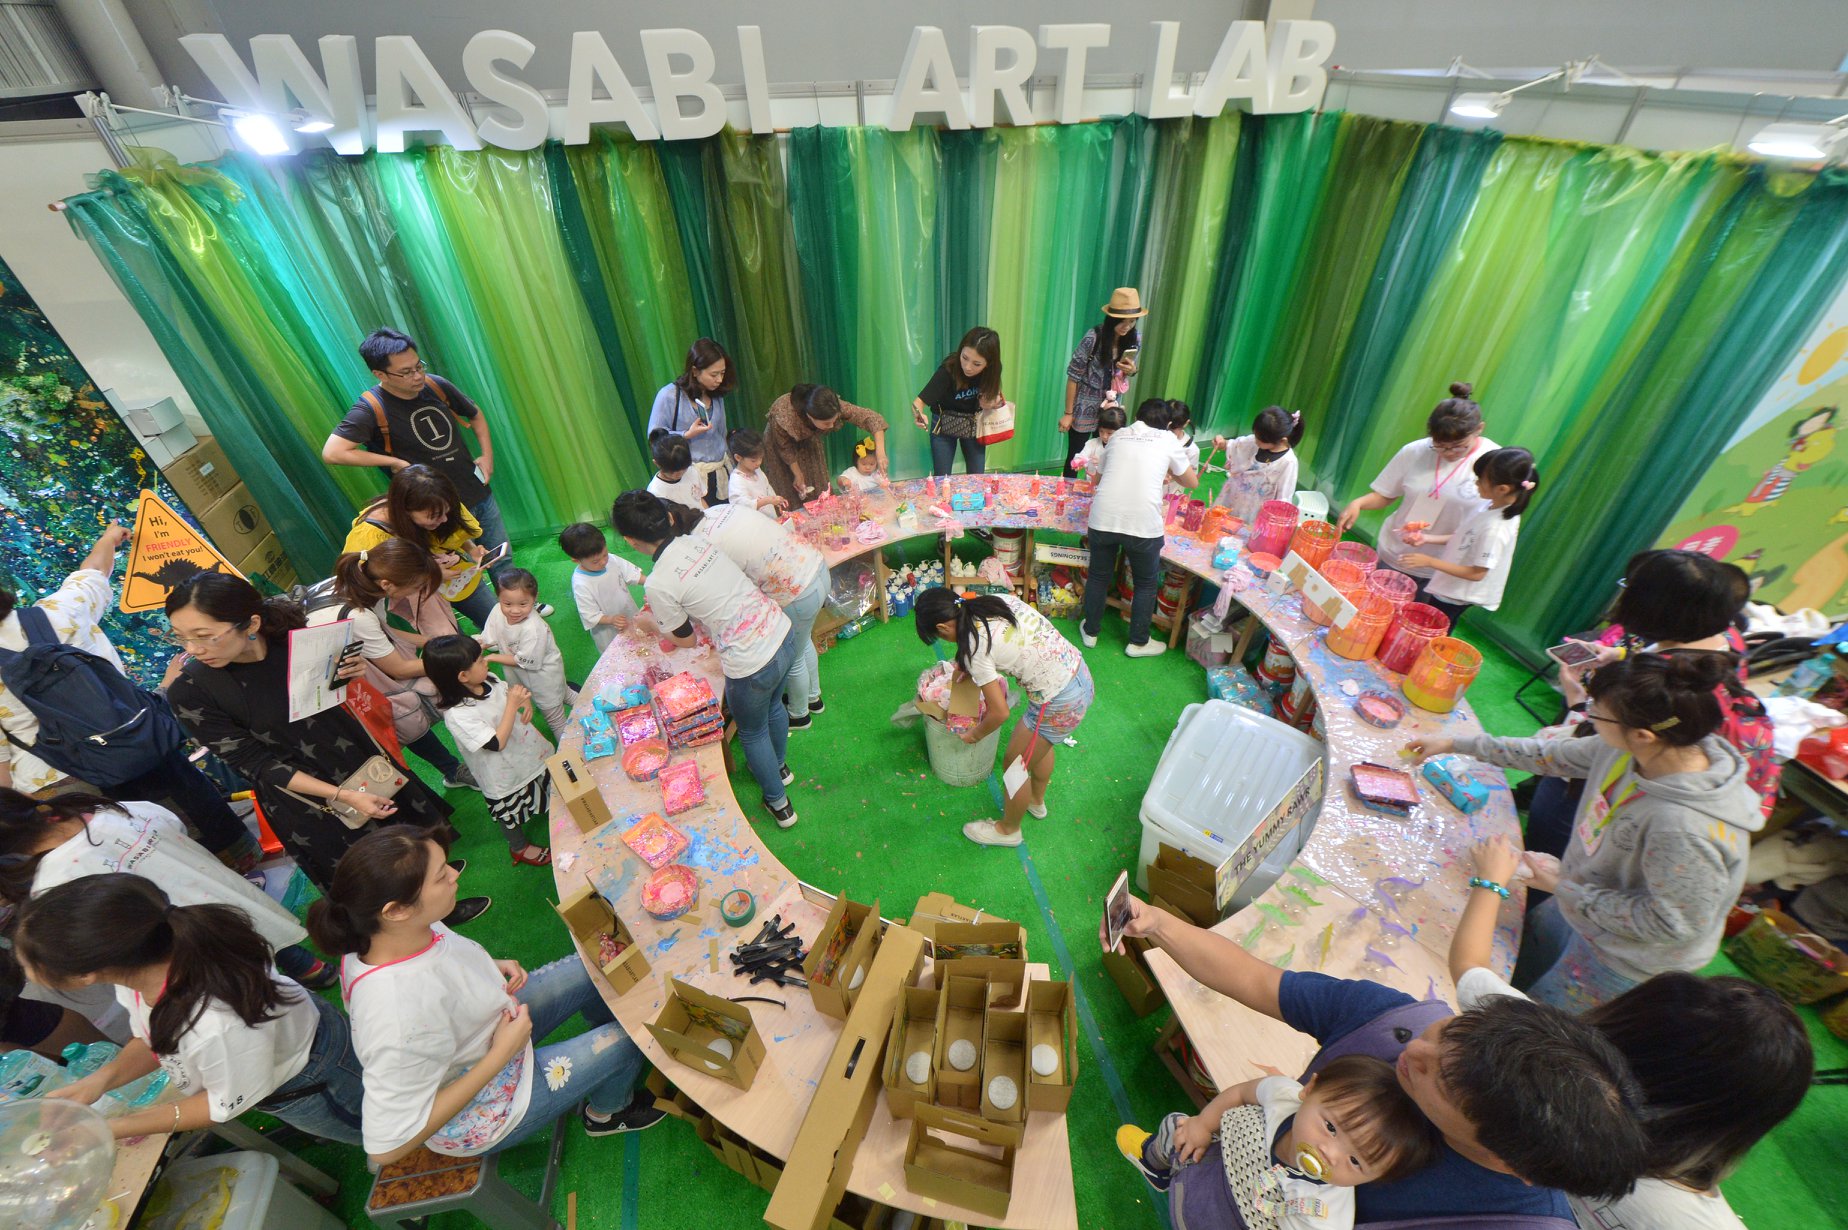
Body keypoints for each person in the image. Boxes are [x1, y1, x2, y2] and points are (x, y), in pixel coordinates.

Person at [1119, 894, 1647, 1225]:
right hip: (1216, 1176)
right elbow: (1256, 980)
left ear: (1511, 1163)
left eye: (1443, 1081)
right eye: (1449, 1030)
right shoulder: (1396, 1020)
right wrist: (1159, 923)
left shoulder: (1510, 1220)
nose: (1415, 1050)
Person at [1452, 835, 1814, 1230]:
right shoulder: (1690, 1219)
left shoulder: (1545, 1058)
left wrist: (1490, 881)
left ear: (1626, 1018)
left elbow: (1470, 966)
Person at [1410, 653, 1763, 1011]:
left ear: (1642, 735)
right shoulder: (1638, 748)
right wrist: (1458, 744)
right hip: (1582, 898)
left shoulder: (1685, 828)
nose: (1589, 717)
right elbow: (1551, 755)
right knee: (1521, 962)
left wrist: (1566, 888)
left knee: (1533, 1016)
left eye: (1597, 713)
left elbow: (1669, 922)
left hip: (1621, 958)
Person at [308, 826, 661, 1163]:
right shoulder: (395, 1016)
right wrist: (501, 1053)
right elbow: (386, 1147)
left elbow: (436, 960)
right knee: (635, 1038)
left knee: (597, 966)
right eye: (441, 876)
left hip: (495, 1026)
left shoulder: (384, 934)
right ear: (396, 909)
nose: (454, 875)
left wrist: (488, 965)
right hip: (490, 1105)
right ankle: (607, 1113)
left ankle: (602, 1055)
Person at [161, 573, 485, 926]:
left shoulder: (294, 641)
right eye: (180, 636)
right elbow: (256, 764)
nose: (193, 649)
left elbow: (326, 698)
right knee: (380, 875)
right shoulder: (191, 692)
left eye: (204, 636)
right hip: (308, 797)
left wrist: (351, 673)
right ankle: (432, 918)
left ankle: (433, 883)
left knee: (408, 836)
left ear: (251, 623)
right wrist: (342, 795)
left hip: (356, 756)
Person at [21, 875, 365, 1144]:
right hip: (283, 1050)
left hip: (312, 1077)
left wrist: (108, 1129)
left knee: (378, 1131)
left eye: (28, 968)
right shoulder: (146, 959)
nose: (26, 974)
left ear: (85, 974)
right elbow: (152, 1038)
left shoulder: (212, 1022)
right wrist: (100, 1080)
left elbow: (219, 1105)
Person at [0, 521, 258, 868]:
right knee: (205, 830)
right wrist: (109, 539)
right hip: (136, 739)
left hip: (66, 783)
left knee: (139, 864)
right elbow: (93, 572)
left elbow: (2, 771)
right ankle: (244, 866)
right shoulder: (60, 611)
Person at [1528, 550, 1776, 866]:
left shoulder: (1659, 688)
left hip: (1604, 786)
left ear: (1653, 608)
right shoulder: (1724, 640)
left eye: (1630, 588)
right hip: (1654, 783)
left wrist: (1576, 699)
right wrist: (1619, 656)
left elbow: (1602, 738)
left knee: (1545, 859)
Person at [0, 788, 335, 990]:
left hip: (182, 932)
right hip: (218, 886)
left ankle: (291, 994)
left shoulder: (53, 882)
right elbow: (171, 822)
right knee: (261, 927)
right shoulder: (105, 811)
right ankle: (313, 970)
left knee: (244, 971)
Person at [613, 492, 801, 828]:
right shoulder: (695, 541)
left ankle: (779, 803)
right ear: (670, 518)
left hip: (751, 662)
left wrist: (651, 625)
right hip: (781, 631)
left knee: (752, 731)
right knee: (774, 707)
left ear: (629, 540)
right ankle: (780, 768)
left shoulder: (658, 583)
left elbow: (685, 639)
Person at [1117, 1055, 1441, 1229]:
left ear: (1376, 1178)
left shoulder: (1326, 1215)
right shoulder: (1284, 1096)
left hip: (1218, 1220)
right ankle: (1154, 1162)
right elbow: (1242, 1093)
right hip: (1200, 1162)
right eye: (1330, 1127)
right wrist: (1203, 1123)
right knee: (1178, 1125)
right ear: (1309, 1090)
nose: (1330, 1153)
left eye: (1356, 1161)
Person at [323, 327, 512, 587]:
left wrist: (487, 455)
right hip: (433, 510)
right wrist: (394, 462)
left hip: (476, 489)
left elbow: (475, 414)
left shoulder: (435, 385)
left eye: (419, 366)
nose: (417, 376)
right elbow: (333, 452)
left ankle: (515, 603)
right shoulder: (371, 408)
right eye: (406, 372)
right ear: (380, 374)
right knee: (460, 575)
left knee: (500, 558)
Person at [913, 589, 1093, 847]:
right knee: (1041, 743)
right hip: (1078, 673)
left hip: (1058, 701)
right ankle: (1035, 801)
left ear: (942, 627)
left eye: (941, 636)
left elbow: (999, 712)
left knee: (1014, 765)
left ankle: (1008, 830)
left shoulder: (976, 650)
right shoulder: (994, 601)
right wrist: (965, 664)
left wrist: (974, 734)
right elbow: (993, 641)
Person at [323, 541, 478, 792]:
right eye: (415, 586)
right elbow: (399, 669)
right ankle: (446, 774)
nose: (416, 592)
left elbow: (386, 632)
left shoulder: (364, 585)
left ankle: (453, 769)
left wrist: (436, 643)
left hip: (346, 665)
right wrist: (453, 659)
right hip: (330, 687)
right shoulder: (359, 614)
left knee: (405, 712)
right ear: (388, 584)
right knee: (403, 717)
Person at [1336, 382, 1499, 581]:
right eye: (1439, 446)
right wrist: (1358, 503)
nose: (1448, 453)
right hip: (1395, 551)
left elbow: (1492, 520)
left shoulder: (1494, 462)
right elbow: (1385, 495)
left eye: (1458, 446)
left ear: (1479, 429)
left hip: (1443, 566)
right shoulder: (1415, 451)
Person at [1080, 399, 1201, 658]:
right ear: (1168, 424)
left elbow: (1098, 477)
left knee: (1099, 575)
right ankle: (1138, 642)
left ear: (1136, 416)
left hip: (1103, 517)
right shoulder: (1169, 439)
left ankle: (1090, 631)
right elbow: (1192, 482)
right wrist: (1168, 471)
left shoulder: (1119, 435)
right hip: (1143, 524)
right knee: (1145, 583)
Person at [692, 503, 830, 730]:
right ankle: (813, 698)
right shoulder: (720, 511)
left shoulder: (702, 542)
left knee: (794, 658)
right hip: (815, 567)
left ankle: (799, 714)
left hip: (796, 591)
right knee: (804, 643)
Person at [424, 635, 553, 869]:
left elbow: (508, 693)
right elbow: (495, 744)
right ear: (463, 676)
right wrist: (512, 705)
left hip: (525, 750)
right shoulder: (458, 715)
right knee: (509, 811)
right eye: (480, 660)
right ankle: (519, 847)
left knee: (542, 780)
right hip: (501, 771)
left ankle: (551, 809)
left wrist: (523, 701)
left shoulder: (489, 680)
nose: (486, 662)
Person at [345, 465, 498, 631]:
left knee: (496, 620)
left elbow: (452, 532)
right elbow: (369, 581)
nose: (444, 519)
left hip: (456, 573)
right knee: (449, 638)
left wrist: (472, 550)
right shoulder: (370, 535)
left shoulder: (438, 502)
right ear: (405, 509)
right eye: (434, 516)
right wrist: (430, 574)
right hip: (419, 591)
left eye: (446, 512)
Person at [1401, 447, 1538, 625]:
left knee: (1436, 627)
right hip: (1450, 587)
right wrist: (1427, 539)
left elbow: (1477, 573)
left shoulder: (1496, 529)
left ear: (1502, 489)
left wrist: (1429, 561)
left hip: (1457, 593)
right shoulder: (1491, 506)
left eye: (1480, 480)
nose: (1476, 483)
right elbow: (1465, 537)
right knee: (1433, 623)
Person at [477, 568, 572, 736]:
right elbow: (488, 636)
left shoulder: (534, 628)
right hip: (524, 677)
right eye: (507, 604)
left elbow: (523, 661)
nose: (514, 611)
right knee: (566, 694)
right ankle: (594, 709)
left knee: (555, 720)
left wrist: (492, 657)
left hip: (544, 679)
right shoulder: (497, 610)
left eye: (523, 604)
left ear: (534, 599)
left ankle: (570, 749)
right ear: (499, 598)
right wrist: (479, 645)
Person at [762, 383, 888, 508]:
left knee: (817, 483)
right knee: (792, 486)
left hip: (808, 441)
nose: (832, 426)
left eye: (834, 420)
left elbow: (872, 419)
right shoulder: (783, 415)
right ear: (810, 416)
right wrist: (797, 473)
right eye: (827, 423)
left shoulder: (831, 406)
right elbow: (784, 447)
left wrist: (880, 454)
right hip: (781, 447)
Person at [1061, 288, 1145, 472]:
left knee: (1108, 453)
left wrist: (1132, 370)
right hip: (1085, 404)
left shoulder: (1135, 338)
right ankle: (1067, 488)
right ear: (1111, 318)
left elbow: (1129, 371)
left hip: (1112, 404)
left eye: (1132, 321)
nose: (1126, 326)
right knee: (1076, 454)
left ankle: (1100, 487)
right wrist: (1068, 413)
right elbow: (1073, 377)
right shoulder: (1094, 337)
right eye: (1122, 321)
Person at [647, 339, 735, 505]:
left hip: (720, 472)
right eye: (714, 375)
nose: (719, 380)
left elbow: (722, 433)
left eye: (722, 373)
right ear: (695, 371)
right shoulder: (669, 395)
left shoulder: (717, 395)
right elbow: (655, 437)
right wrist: (685, 434)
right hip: (688, 474)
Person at [912, 327, 1003, 478]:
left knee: (977, 477)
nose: (967, 367)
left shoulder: (992, 372)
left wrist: (991, 403)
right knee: (942, 478)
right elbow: (918, 402)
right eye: (964, 357)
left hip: (973, 423)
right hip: (943, 424)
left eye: (977, 364)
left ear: (989, 364)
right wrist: (918, 414)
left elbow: (993, 397)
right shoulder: (949, 369)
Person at [560, 523, 645, 657]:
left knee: (639, 644)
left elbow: (633, 574)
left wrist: (652, 584)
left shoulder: (612, 559)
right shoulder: (581, 583)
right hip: (608, 629)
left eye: (605, 554)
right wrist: (611, 619)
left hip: (628, 612)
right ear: (576, 560)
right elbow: (590, 614)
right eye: (595, 561)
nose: (603, 562)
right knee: (618, 655)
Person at [1214, 406, 1305, 524]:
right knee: (1220, 524)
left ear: (1282, 441)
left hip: (1255, 511)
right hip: (1232, 497)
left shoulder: (1288, 462)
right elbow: (1234, 445)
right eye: (1255, 435)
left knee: (1242, 532)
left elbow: (1283, 497)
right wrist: (1222, 443)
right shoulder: (1255, 441)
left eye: (1260, 439)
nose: (1256, 440)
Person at [726, 429, 787, 517]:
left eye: (761, 458)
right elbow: (741, 507)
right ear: (738, 457)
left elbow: (766, 487)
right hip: (755, 522)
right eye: (753, 460)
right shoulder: (736, 480)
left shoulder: (756, 470)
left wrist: (776, 499)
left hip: (769, 518)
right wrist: (767, 500)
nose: (759, 463)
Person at [646, 429, 708, 511]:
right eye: (672, 472)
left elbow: (700, 500)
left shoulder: (691, 471)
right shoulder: (656, 492)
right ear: (656, 463)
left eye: (684, 469)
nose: (679, 474)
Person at [1069, 405, 1126, 482]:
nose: (1104, 436)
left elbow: (1122, 468)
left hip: (1109, 485)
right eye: (1101, 431)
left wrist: (1103, 463)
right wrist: (1079, 461)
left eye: (1109, 433)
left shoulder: (1123, 448)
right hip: (1090, 484)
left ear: (1121, 431)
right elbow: (1082, 455)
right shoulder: (1093, 443)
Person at [1162, 399, 1200, 498]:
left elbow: (1191, 480)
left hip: (1171, 496)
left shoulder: (1191, 449)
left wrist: (1171, 476)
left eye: (1173, 430)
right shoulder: (1156, 437)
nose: (1170, 434)